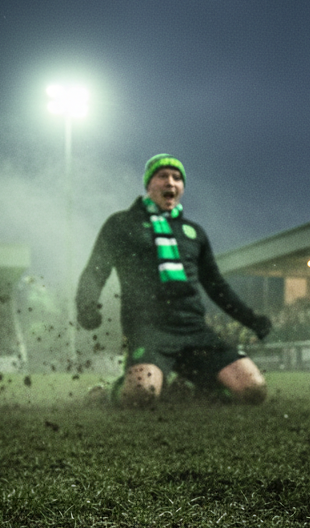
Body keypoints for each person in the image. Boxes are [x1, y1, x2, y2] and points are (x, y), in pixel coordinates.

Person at [76, 154, 272, 406]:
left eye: (177, 178)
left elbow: (216, 286)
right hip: (148, 329)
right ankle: (107, 393)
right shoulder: (121, 224)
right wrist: (86, 304)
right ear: (149, 184)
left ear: (182, 188)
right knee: (140, 396)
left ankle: (196, 388)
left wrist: (251, 319)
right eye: (163, 176)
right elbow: (95, 270)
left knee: (253, 391)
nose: (171, 182)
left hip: (194, 330)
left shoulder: (194, 232)